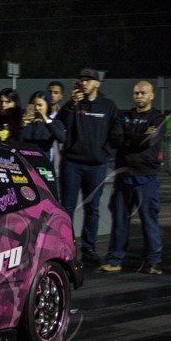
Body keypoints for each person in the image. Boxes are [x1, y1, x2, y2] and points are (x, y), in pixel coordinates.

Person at [58, 68, 122, 266]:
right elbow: (60, 123)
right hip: (72, 163)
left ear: (97, 83)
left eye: (88, 80)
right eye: (82, 80)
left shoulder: (108, 106)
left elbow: (117, 133)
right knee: (67, 208)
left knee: (92, 208)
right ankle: (65, 247)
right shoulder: (74, 103)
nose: (84, 83)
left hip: (96, 166)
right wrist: (71, 104)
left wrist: (105, 153)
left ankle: (89, 249)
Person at [102, 79, 166, 274]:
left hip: (147, 177)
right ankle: (115, 260)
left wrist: (129, 136)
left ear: (152, 96)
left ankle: (153, 262)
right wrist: (139, 135)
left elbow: (149, 141)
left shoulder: (158, 118)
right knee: (119, 221)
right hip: (124, 176)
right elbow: (116, 139)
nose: (139, 96)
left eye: (143, 93)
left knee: (149, 221)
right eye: (136, 93)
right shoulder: (124, 115)